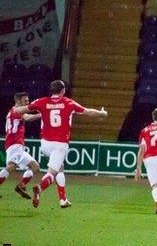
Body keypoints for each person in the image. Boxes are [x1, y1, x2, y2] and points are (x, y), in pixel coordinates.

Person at [13, 80, 108, 208]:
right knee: (52, 172)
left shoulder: (41, 101)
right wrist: (101, 113)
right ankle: (40, 188)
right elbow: (88, 112)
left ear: (51, 91)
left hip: (45, 144)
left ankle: (63, 199)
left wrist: (15, 110)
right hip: (60, 145)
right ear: (62, 91)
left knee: (60, 168)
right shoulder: (68, 103)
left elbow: (21, 110)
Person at [0, 92, 41, 199]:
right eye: (25, 101)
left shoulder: (12, 111)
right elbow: (27, 118)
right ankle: (21, 185)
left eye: (28, 100)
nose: (28, 102)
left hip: (16, 145)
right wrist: (42, 114)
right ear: (18, 101)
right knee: (11, 166)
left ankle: (21, 185)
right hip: (14, 144)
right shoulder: (16, 111)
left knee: (35, 167)